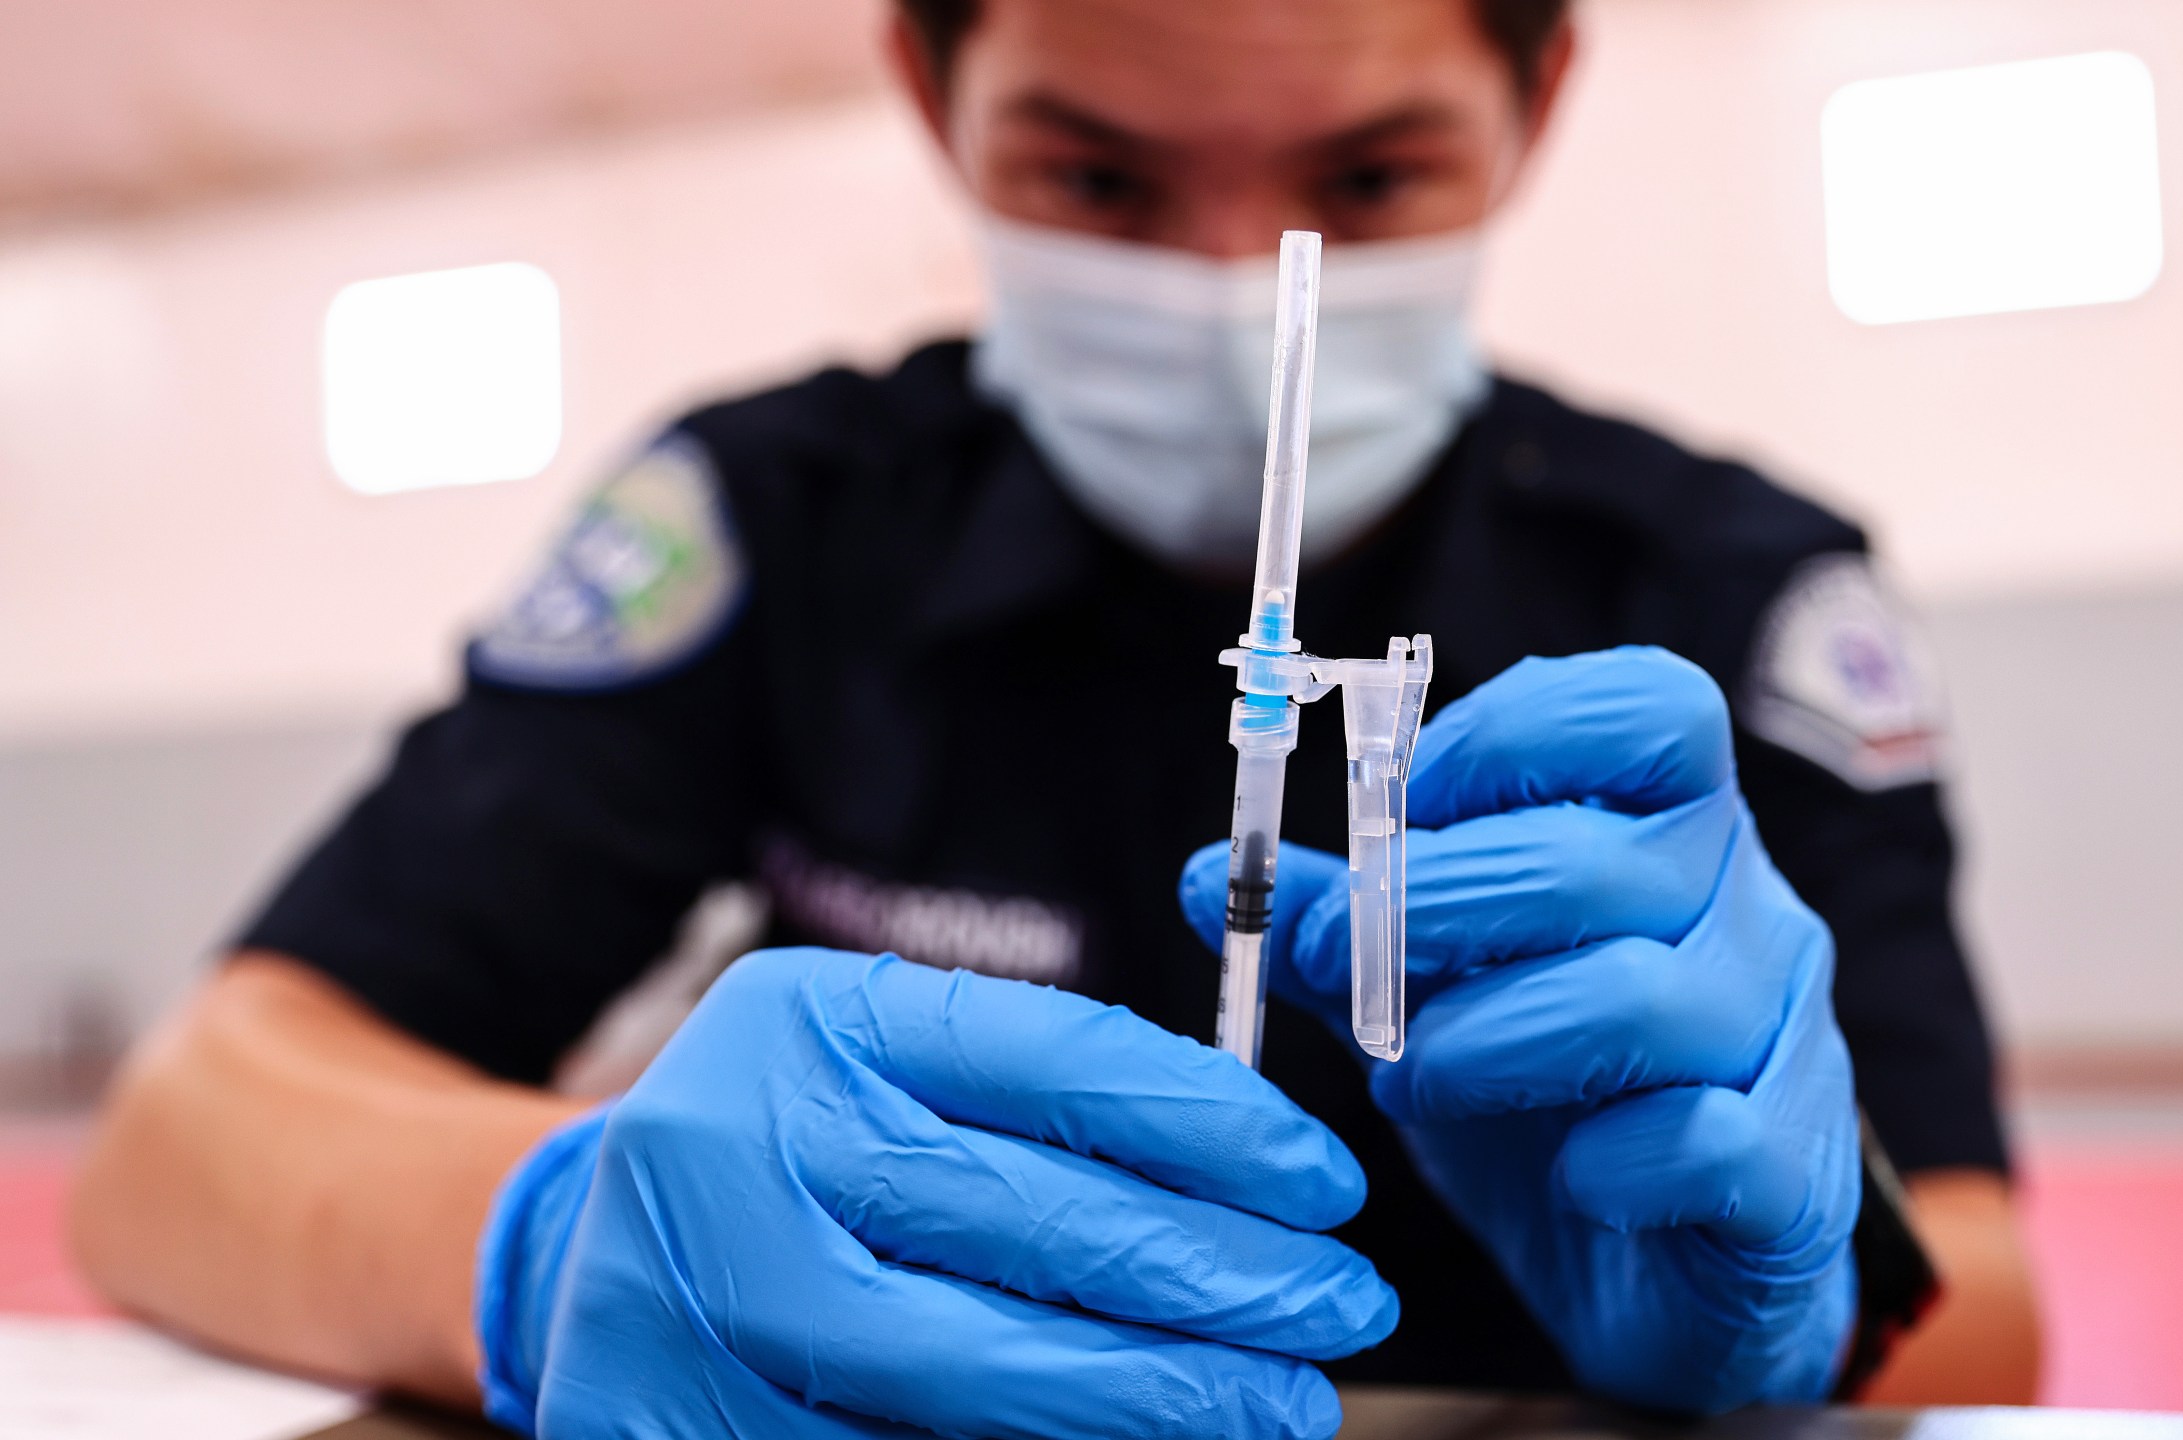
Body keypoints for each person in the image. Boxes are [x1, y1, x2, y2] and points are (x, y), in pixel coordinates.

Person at [69, 0, 2041, 1434]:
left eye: (1368, 178)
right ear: (928, 89)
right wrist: (535, 1237)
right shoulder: (780, 525)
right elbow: (182, 1139)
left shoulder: (1722, 592)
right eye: (1090, 173)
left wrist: (1758, 1327)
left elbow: (1986, 1311)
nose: (1224, 296)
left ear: (1535, 95)